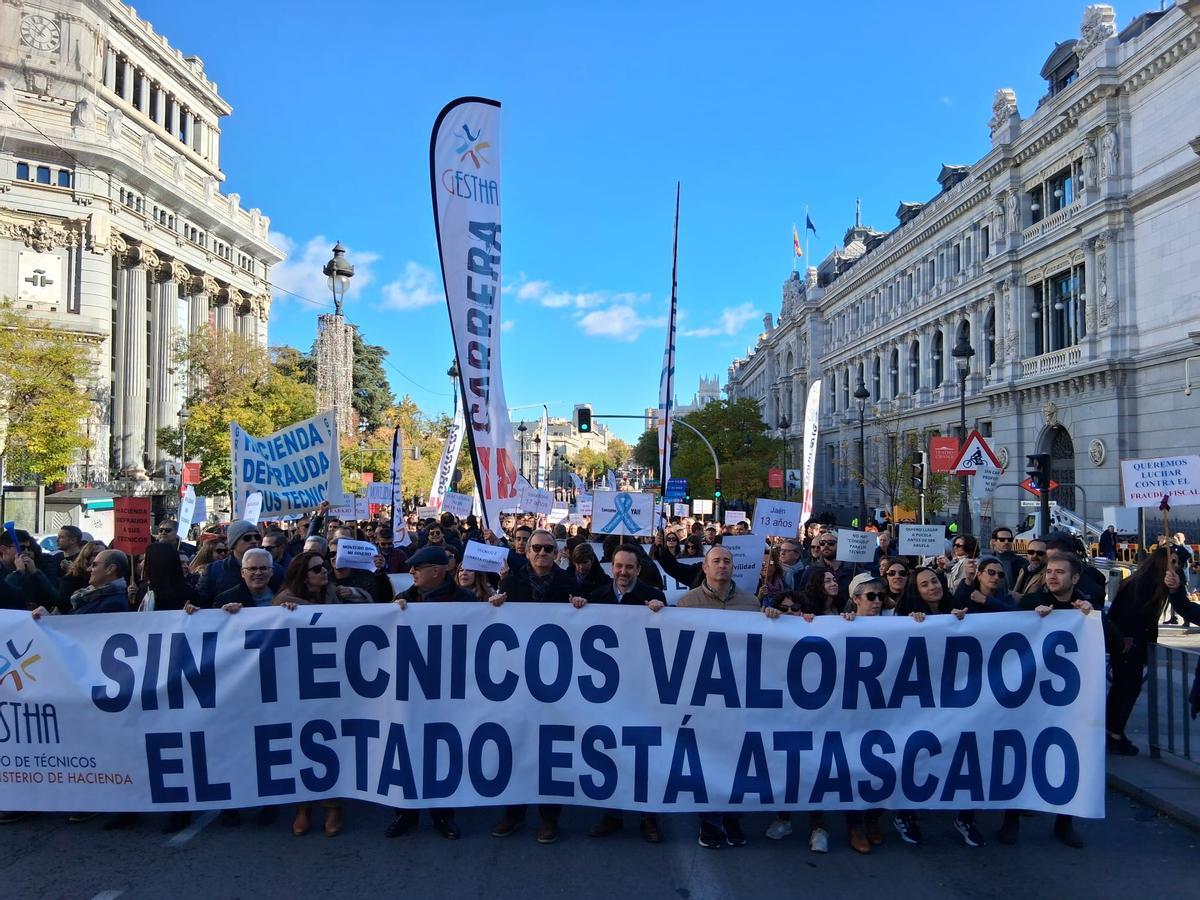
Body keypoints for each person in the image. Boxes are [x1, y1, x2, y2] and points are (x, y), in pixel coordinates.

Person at [488, 529, 590, 844]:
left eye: (548, 548)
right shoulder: (512, 582)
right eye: (536, 548)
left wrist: (579, 605)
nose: (542, 553)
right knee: (516, 745)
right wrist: (494, 604)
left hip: (555, 681)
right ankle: (514, 811)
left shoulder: (568, 584)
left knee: (550, 749)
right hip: (517, 679)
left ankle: (549, 817)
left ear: (557, 553)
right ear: (528, 551)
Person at [678, 545, 780, 849]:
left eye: (727, 561)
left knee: (737, 760)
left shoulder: (751, 604)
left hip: (740, 695)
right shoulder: (687, 603)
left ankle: (733, 819)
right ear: (705, 568)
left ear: (733, 567)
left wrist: (772, 618)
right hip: (705, 697)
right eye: (716, 561)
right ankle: (708, 822)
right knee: (707, 760)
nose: (722, 565)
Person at [1002, 552, 1095, 850]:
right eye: (1049, 572)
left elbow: (1116, 644)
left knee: (1069, 760)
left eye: (1060, 572)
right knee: (1022, 758)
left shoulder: (1086, 606)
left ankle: (1064, 823)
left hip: (1070, 703)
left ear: (1075, 578)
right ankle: (1011, 819)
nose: (1052, 576)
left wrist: (1091, 618)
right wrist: (1031, 620)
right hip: (1031, 700)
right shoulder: (1031, 603)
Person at [581, 546, 667, 842]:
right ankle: (612, 813)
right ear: (611, 567)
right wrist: (576, 609)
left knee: (643, 751)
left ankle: (648, 816)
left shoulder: (653, 597)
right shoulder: (595, 596)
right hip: (607, 691)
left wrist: (660, 613)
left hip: (642, 687)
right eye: (618, 566)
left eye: (629, 567)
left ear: (638, 570)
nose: (622, 572)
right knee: (611, 750)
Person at [1105, 545, 1189, 758]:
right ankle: (1115, 733)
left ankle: (1112, 731)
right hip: (1130, 643)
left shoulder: (1140, 578)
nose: (1176, 567)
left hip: (1125, 641)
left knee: (1121, 688)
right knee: (1127, 689)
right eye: (1174, 562)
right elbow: (1136, 615)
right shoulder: (1147, 582)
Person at [196, 521, 284, 606]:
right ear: (233, 543)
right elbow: (201, 603)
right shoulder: (214, 570)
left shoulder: (277, 569)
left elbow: (286, 595)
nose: (254, 541)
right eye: (247, 538)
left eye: (257, 537)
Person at [32, 548, 130, 618]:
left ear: (110, 569)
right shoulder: (90, 596)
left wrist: (49, 620)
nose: (89, 569)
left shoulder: (113, 604)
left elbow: (82, 633)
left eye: (94, 565)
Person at [213, 548, 277, 609]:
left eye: (263, 568)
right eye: (252, 569)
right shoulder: (226, 599)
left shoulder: (281, 595)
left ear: (271, 572)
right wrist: (224, 612)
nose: (258, 573)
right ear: (242, 573)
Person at [953, 555, 1017, 613]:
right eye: (991, 572)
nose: (996, 577)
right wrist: (969, 579)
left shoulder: (1005, 598)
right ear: (979, 575)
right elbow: (956, 603)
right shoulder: (969, 594)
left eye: (1000, 574)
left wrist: (986, 600)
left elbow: (1017, 613)